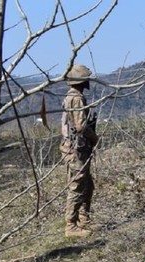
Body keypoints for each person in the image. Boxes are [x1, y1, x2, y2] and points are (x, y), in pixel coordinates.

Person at [61, 64, 99, 238]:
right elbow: (80, 126)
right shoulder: (76, 99)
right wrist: (95, 138)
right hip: (77, 149)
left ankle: (84, 218)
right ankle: (71, 225)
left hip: (76, 148)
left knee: (87, 185)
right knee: (77, 185)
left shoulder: (71, 97)